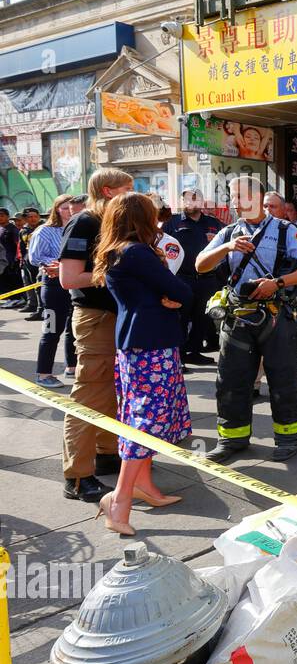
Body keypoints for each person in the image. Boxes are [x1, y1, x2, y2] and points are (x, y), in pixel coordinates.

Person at [195, 175, 297, 463]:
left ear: (256, 197)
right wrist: (227, 248)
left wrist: (277, 282)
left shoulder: (286, 230)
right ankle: (232, 439)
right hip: (237, 317)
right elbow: (200, 266)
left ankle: (289, 437)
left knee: (283, 379)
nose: (234, 202)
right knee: (231, 380)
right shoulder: (228, 233)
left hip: (277, 316)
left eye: (239, 196)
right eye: (232, 196)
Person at [91, 193, 193, 536]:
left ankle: (145, 487)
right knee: (146, 421)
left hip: (137, 342)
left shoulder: (117, 250)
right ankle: (119, 501)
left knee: (139, 417)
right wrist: (172, 293)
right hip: (151, 345)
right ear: (143, 218)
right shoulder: (137, 252)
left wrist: (168, 294)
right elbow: (182, 290)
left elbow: (166, 293)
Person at [58, 168, 136, 503]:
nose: (136, 193)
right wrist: (120, 270)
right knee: (89, 394)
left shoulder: (114, 222)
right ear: (107, 190)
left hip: (118, 316)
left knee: (113, 391)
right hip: (95, 318)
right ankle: (77, 476)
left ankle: (106, 454)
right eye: (128, 188)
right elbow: (69, 279)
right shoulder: (84, 223)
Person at [164, 187, 225, 367]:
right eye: (187, 199)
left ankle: (195, 352)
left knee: (203, 317)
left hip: (207, 278)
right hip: (182, 277)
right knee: (181, 317)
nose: (190, 203)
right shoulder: (172, 222)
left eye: (195, 199)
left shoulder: (213, 223)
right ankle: (179, 355)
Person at [28, 195, 83, 388]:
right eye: (65, 207)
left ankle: (71, 366)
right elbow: (34, 258)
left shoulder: (79, 228)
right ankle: (43, 373)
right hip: (53, 286)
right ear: (57, 209)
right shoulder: (44, 231)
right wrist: (54, 264)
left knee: (72, 329)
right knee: (51, 331)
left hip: (75, 285)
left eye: (72, 207)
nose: (69, 211)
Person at [18, 207, 43, 317]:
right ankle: (34, 305)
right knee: (31, 284)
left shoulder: (44, 228)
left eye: (35, 216)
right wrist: (23, 260)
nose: (33, 219)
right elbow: (22, 247)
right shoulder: (23, 231)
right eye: (30, 217)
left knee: (41, 285)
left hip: (42, 261)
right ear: (25, 218)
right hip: (28, 262)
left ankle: (42, 308)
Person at [0, 208, 20, 304]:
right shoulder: (0, 228)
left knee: (11, 280)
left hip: (11, 260)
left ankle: (15, 299)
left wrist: (16, 259)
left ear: (8, 216)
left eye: (2, 215)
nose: (0, 217)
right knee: (3, 280)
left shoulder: (13, 229)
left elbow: (18, 244)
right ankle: (7, 299)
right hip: (1, 260)